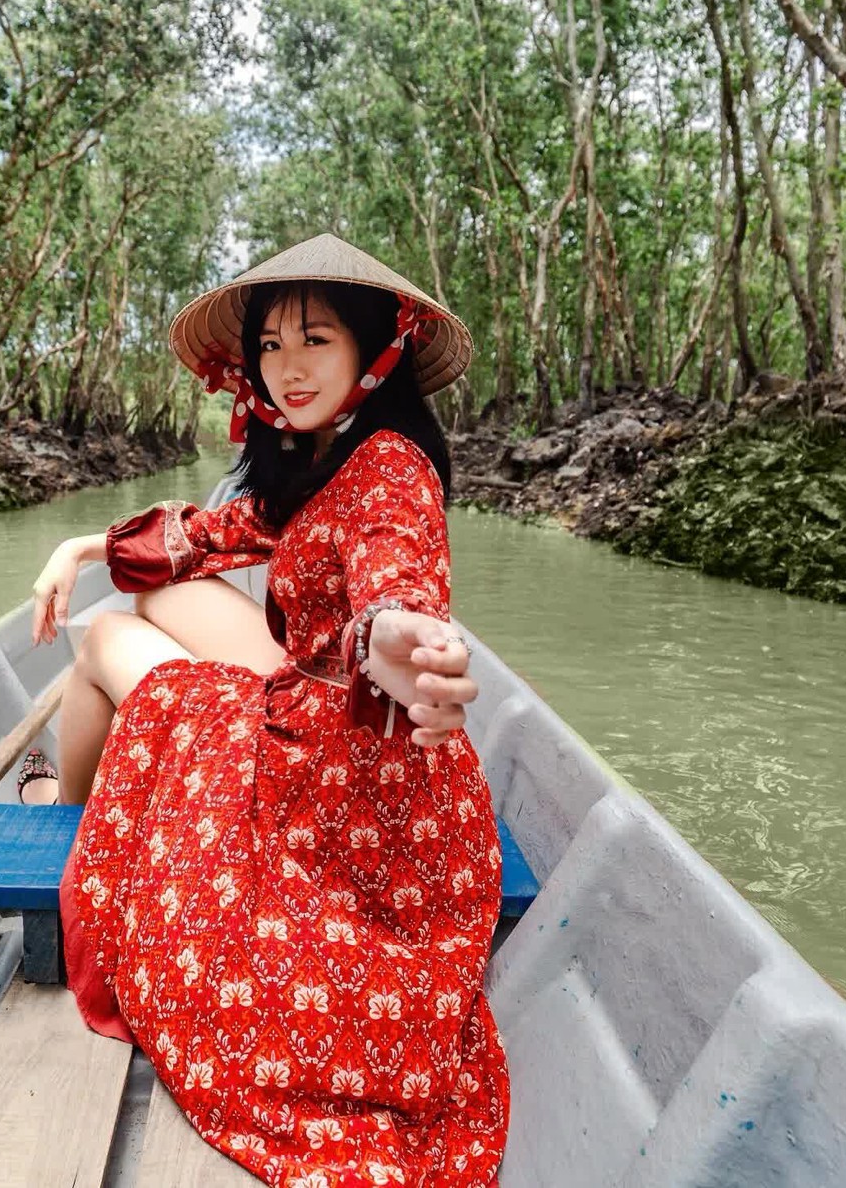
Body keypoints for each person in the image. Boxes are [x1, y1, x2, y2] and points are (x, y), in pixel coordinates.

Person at [27, 234, 509, 1186]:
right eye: (273, 345)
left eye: (316, 341)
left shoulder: (392, 472)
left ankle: (66, 813)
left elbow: (393, 577)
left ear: (375, 351)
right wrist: (85, 543)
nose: (288, 368)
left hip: (343, 765)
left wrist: (397, 648)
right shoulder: (318, 457)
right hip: (323, 726)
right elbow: (211, 535)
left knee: (100, 645)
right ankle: (82, 800)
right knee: (151, 597)